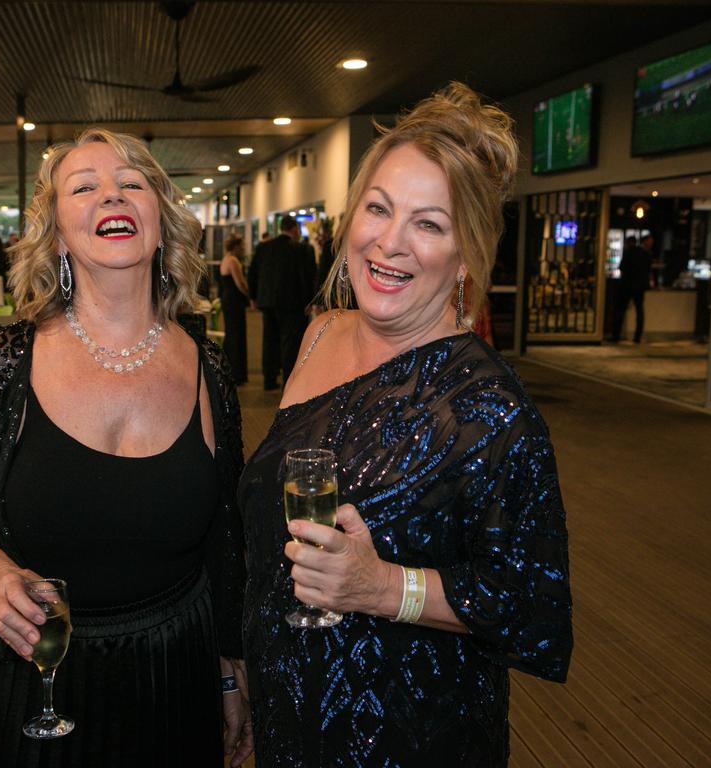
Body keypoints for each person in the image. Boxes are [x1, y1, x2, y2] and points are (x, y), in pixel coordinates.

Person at [239, 83, 573, 766]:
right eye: (379, 208)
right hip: (286, 714)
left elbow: (535, 615)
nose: (390, 243)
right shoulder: (320, 333)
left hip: (407, 734)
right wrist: (234, 665)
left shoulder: (491, 412)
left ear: (468, 255)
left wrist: (386, 587)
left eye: (429, 223)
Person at [0, 129, 252, 767]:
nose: (111, 196)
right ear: (56, 230)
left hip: (173, 675)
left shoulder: (209, 368)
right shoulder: (3, 363)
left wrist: (232, 674)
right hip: (35, 677)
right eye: (85, 186)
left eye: (132, 183)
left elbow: (226, 541)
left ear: (160, 215)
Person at [248, 215, 316, 390]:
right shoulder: (301, 249)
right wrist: (311, 300)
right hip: (292, 303)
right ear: (294, 229)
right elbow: (307, 277)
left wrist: (253, 297)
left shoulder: (263, 247)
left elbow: (253, 273)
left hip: (267, 301)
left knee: (269, 340)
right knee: (290, 343)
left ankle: (269, 380)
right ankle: (289, 380)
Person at [219, 233, 250, 384]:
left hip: (227, 300)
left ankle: (228, 369)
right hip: (234, 302)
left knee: (231, 334)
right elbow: (240, 283)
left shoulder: (224, 260)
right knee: (237, 336)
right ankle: (237, 373)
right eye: (241, 246)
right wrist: (250, 297)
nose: (243, 249)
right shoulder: (233, 261)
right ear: (235, 246)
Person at [612, 233, 653, 343]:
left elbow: (622, 268)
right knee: (639, 311)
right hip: (640, 287)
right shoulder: (646, 254)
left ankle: (616, 335)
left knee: (620, 310)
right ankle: (637, 337)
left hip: (627, 285)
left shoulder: (629, 252)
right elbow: (648, 271)